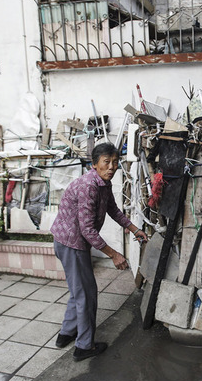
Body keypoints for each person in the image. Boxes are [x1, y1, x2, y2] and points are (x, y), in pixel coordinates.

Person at [50, 142, 148, 362]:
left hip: (71, 243)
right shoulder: (88, 186)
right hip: (71, 244)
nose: (112, 167)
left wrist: (134, 228)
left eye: (115, 162)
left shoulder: (103, 183)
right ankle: (84, 346)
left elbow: (113, 210)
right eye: (106, 162)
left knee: (79, 290)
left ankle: (66, 333)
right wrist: (114, 254)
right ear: (95, 164)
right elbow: (87, 230)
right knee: (86, 294)